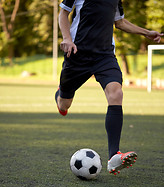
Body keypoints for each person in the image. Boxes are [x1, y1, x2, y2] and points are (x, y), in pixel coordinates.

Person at [55, 0, 163, 175]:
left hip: (104, 56)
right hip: (77, 53)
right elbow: (63, 13)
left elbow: (119, 22)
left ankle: (114, 156)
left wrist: (146, 33)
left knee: (116, 93)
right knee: (63, 105)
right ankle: (61, 93)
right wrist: (67, 39)